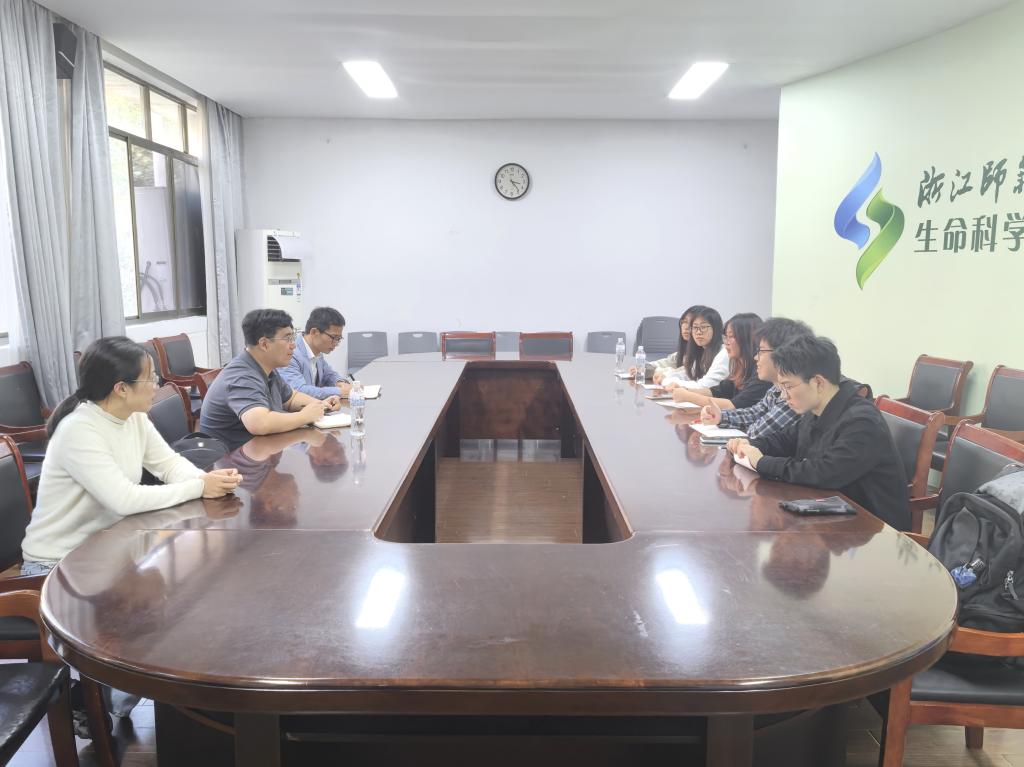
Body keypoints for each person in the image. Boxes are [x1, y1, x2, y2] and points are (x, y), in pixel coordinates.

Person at [21, 336, 241, 574]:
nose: (156, 386)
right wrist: (199, 488)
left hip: (107, 549)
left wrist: (206, 480)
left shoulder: (134, 417)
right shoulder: (79, 430)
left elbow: (169, 464)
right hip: (58, 563)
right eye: (151, 379)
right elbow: (123, 500)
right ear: (122, 389)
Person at [727, 335, 910, 531]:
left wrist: (762, 462)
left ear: (818, 383)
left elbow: (824, 473)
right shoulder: (815, 409)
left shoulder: (862, 422)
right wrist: (750, 444)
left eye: (788, 386)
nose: (785, 396)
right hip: (829, 514)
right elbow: (785, 440)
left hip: (870, 529)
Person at [199, 309, 342, 450]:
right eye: (287, 339)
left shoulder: (267, 368)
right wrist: (304, 416)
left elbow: (291, 398)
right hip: (228, 459)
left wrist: (321, 405)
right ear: (264, 344)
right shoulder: (241, 375)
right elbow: (260, 423)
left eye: (293, 338)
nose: (293, 345)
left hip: (257, 452)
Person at [699, 317, 813, 439]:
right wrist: (721, 416)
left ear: (782, 354)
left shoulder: (795, 394)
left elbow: (757, 433)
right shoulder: (776, 388)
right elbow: (756, 412)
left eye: (761, 351)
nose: (756, 357)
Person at [670, 313, 770, 409]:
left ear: (747, 339)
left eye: (731, 337)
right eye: (726, 337)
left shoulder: (761, 372)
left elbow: (733, 405)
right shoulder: (740, 367)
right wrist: (686, 391)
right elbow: (719, 391)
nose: (726, 342)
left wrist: (688, 396)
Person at [278, 306, 352, 399]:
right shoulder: (291, 354)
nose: (336, 343)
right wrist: (339, 391)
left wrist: (340, 382)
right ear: (314, 332)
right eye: (334, 337)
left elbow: (328, 374)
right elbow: (298, 391)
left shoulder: (317, 352)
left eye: (339, 338)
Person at [661, 306, 729, 390]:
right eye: (695, 327)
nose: (698, 332)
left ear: (716, 329)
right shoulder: (702, 351)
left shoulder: (724, 353)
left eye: (703, 327)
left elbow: (706, 386)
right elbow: (689, 374)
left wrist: (674, 383)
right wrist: (666, 376)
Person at [630, 306, 698, 382]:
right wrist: (646, 367)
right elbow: (669, 362)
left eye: (691, 323)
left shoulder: (702, 351)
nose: (686, 327)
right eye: (684, 322)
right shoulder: (686, 349)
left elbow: (687, 373)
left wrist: (653, 372)